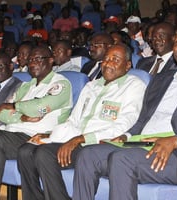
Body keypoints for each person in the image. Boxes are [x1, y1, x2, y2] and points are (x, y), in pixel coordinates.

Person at [72, 25, 177, 200]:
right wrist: (126, 135)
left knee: (122, 160)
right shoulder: (162, 78)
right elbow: (142, 119)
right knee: (88, 154)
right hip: (140, 144)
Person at [17, 44, 147, 200]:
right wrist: (49, 135)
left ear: (127, 65)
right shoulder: (91, 86)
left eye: (115, 59)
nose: (108, 63)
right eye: (106, 59)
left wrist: (81, 139)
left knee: (44, 154)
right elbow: (73, 120)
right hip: (76, 140)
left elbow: (124, 126)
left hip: (99, 145)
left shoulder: (134, 86)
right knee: (26, 150)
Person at [0, 45, 73, 200]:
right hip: (9, 133)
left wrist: (15, 107)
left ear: (51, 60)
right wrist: (22, 117)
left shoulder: (61, 84)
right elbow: (2, 113)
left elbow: (38, 108)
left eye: (38, 59)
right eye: (31, 59)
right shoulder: (26, 86)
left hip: (33, 137)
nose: (33, 63)